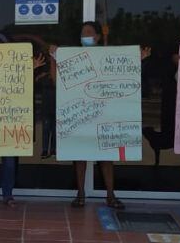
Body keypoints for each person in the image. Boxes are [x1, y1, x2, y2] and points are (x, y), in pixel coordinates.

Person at [55, 22, 129, 209]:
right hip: (80, 113)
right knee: (80, 157)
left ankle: (110, 195)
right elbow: (57, 81)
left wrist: (137, 59)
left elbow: (120, 72)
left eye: (88, 32)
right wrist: (54, 57)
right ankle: (80, 194)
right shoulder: (73, 57)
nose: (84, 36)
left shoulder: (106, 54)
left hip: (103, 113)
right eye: (82, 33)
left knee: (106, 156)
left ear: (96, 36)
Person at [0, 31, 44, 207]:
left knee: (10, 161)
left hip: (9, 118)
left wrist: (31, 70)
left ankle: (7, 195)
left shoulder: (15, 65)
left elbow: (23, 89)